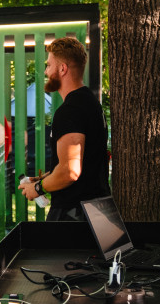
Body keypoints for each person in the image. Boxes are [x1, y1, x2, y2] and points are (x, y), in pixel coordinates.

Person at [18, 36, 109, 221]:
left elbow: (70, 171)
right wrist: (45, 179)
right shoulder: (90, 103)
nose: (46, 71)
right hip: (98, 209)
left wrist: (37, 188)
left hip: (73, 214)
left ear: (62, 69)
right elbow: (84, 162)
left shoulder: (70, 110)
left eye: (49, 65)